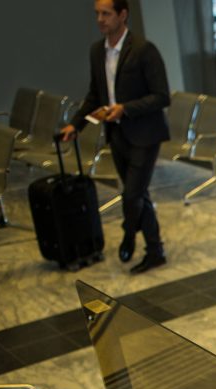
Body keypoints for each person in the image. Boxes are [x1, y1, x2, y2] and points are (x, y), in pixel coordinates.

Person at [60, 0, 170, 274]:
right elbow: (94, 95)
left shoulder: (144, 50)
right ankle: (155, 251)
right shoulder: (97, 51)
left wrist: (125, 109)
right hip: (117, 134)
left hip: (145, 133)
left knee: (131, 195)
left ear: (123, 15)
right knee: (139, 195)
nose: (100, 19)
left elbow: (161, 96)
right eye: (97, 14)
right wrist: (76, 125)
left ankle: (128, 233)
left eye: (106, 14)